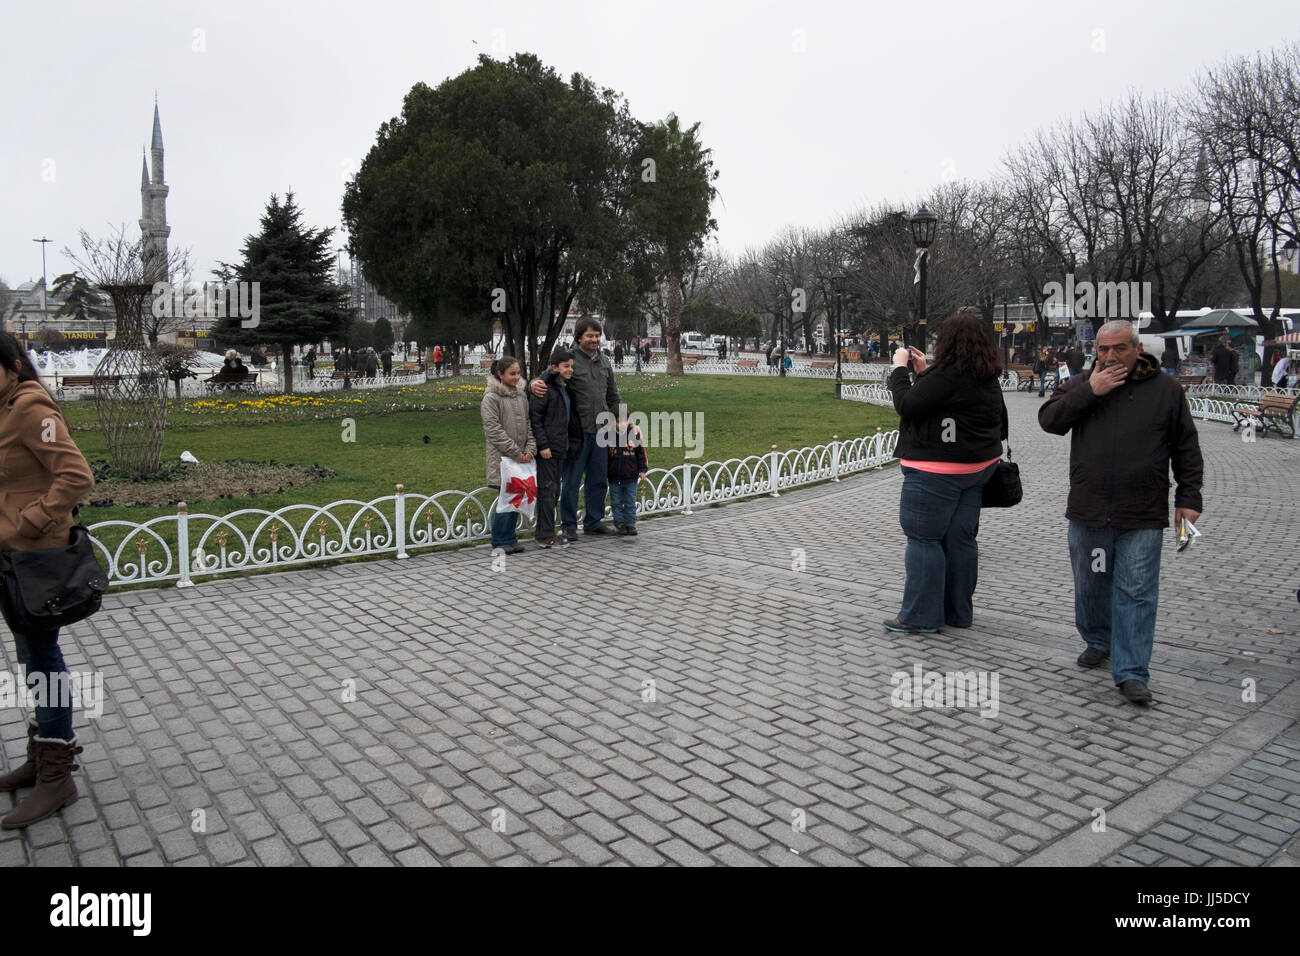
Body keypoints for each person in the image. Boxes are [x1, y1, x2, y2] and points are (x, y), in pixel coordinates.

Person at [1039, 320, 1203, 706]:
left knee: (1137, 591)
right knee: (1092, 586)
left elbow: (1186, 447)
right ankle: (1098, 639)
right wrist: (1091, 392)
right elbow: (1049, 420)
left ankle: (1131, 671)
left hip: (1142, 512)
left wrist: (1189, 496)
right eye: (1103, 349)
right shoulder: (1083, 383)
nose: (1110, 357)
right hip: (1090, 510)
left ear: (1137, 348)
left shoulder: (1165, 390)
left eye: (1119, 349)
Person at [0, 332, 96, 828]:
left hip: (34, 558)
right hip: (12, 560)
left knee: (44, 659)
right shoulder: (4, 408)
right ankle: (42, 757)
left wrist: (30, 521)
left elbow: (76, 475)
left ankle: (57, 776)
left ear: (13, 367)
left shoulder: (30, 410)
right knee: (32, 657)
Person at [882, 311, 1007, 634]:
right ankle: (958, 612)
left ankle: (920, 616)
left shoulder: (948, 376)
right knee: (961, 539)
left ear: (947, 342)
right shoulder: (986, 376)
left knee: (924, 540)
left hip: (935, 472)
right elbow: (941, 401)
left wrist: (899, 368)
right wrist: (925, 372)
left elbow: (908, 404)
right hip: (978, 469)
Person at [530, 317, 620, 538]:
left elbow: (614, 396)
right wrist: (533, 383)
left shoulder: (605, 362)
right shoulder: (569, 360)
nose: (594, 340)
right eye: (590, 335)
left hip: (601, 431)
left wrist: (622, 422)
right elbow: (546, 379)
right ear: (579, 337)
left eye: (597, 335)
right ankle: (569, 524)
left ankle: (593, 521)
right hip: (576, 433)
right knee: (571, 481)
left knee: (598, 480)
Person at [481, 356, 536, 554]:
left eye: (518, 373)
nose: (516, 377)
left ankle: (510, 537)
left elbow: (529, 424)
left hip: (520, 457)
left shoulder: (520, 395)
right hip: (503, 458)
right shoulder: (491, 398)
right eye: (512, 373)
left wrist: (529, 449)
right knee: (506, 499)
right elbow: (493, 430)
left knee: (516, 497)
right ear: (500, 374)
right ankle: (500, 539)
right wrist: (515, 452)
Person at [529, 349, 579, 548]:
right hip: (548, 449)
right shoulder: (544, 389)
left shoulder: (563, 388)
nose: (570, 370)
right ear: (555, 367)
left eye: (571, 366)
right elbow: (536, 419)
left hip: (560, 447)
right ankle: (544, 535)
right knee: (547, 492)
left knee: (554, 491)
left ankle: (547, 531)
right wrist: (543, 445)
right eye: (566, 366)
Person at [607, 413, 648, 536]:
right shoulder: (609, 436)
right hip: (614, 477)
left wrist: (642, 470)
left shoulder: (634, 435)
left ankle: (630, 523)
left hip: (631, 476)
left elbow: (641, 454)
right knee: (616, 502)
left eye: (625, 421)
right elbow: (606, 457)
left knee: (630, 501)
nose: (622, 424)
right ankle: (619, 524)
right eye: (619, 422)